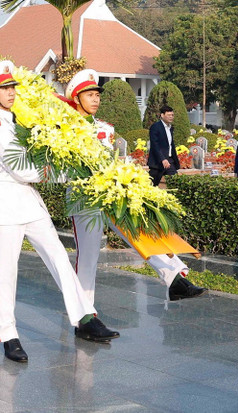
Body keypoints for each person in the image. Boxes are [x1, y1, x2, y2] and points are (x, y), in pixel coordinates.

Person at [0, 60, 118, 363]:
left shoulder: (16, 121)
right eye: (4, 88)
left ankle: (84, 319)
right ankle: (9, 335)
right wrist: (61, 172)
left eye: (13, 86)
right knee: (7, 272)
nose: (11, 92)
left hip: (29, 201)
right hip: (5, 203)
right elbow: (20, 168)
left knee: (58, 257)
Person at [64, 71, 205, 304]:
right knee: (88, 258)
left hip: (113, 194)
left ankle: (175, 279)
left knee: (142, 231)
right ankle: (84, 315)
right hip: (85, 198)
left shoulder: (105, 128)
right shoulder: (65, 128)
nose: (96, 99)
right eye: (89, 95)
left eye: (97, 94)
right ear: (76, 98)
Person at [148, 105, 179, 187]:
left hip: (170, 161)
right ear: (162, 115)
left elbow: (171, 144)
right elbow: (155, 145)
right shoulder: (155, 127)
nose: (171, 117)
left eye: (172, 115)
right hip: (158, 161)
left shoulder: (170, 128)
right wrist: (162, 159)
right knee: (151, 185)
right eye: (169, 115)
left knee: (175, 182)